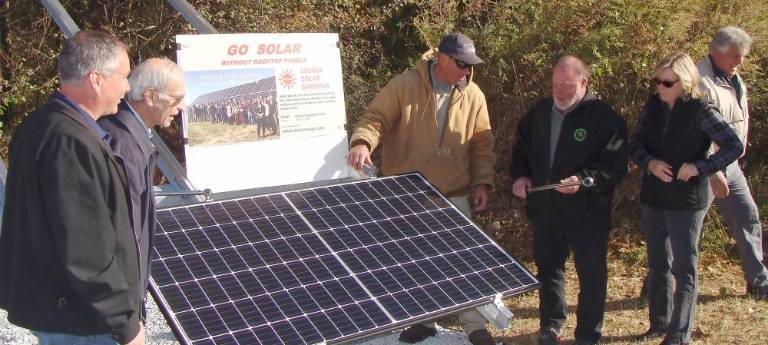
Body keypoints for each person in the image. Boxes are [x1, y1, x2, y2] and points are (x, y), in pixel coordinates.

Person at [347, 32, 497, 345]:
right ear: (442, 58)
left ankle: (475, 326)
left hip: (454, 191)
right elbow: (376, 117)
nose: (467, 71)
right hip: (407, 192)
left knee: (464, 260)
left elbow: (483, 145)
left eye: (470, 66)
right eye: (461, 64)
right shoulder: (405, 84)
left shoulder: (475, 96)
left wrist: (482, 182)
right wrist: (363, 142)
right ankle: (423, 322)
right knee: (412, 261)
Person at [0, 30, 144, 345]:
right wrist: (125, 322)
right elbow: (85, 248)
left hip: (65, 309)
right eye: (123, 76)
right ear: (96, 79)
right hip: (83, 319)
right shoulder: (69, 142)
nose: (127, 86)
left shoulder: (41, 124)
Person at [509, 56, 628, 345]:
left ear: (584, 83)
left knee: (591, 273)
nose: (559, 91)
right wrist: (520, 176)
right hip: (546, 208)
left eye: (566, 85)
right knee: (549, 268)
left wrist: (584, 181)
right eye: (555, 85)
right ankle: (550, 325)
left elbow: (614, 167)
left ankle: (588, 333)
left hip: (587, 212)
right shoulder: (539, 112)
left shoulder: (604, 118)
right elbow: (521, 148)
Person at [630, 52, 742, 345]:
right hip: (654, 195)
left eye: (667, 82)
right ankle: (659, 323)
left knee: (684, 266)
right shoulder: (652, 105)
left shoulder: (701, 109)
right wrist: (650, 163)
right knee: (658, 263)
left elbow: (734, 145)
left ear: (685, 81)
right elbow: (635, 143)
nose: (660, 87)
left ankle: (678, 333)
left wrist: (700, 167)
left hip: (687, 199)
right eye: (657, 80)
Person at [98, 57, 186, 324]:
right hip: (112, 308)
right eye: (176, 98)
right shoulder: (123, 144)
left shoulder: (128, 133)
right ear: (149, 96)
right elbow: (125, 232)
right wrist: (127, 311)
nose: (180, 107)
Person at [699, 27, 768, 299]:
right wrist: (712, 169)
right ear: (716, 51)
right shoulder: (700, 81)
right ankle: (658, 285)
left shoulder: (734, 77)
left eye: (742, 56)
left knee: (747, 216)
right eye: (735, 56)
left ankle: (758, 280)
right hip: (704, 167)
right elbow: (698, 132)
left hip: (730, 165)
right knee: (687, 228)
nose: (739, 62)